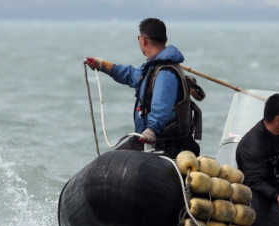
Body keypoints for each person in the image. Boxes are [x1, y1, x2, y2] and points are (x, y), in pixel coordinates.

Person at [84, 18, 201, 159]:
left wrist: (151, 130)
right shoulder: (152, 68)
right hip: (145, 140)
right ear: (165, 39)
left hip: (162, 144)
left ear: (143, 40)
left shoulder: (165, 74)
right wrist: (103, 65)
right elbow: (131, 75)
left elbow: (161, 106)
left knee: (106, 163)